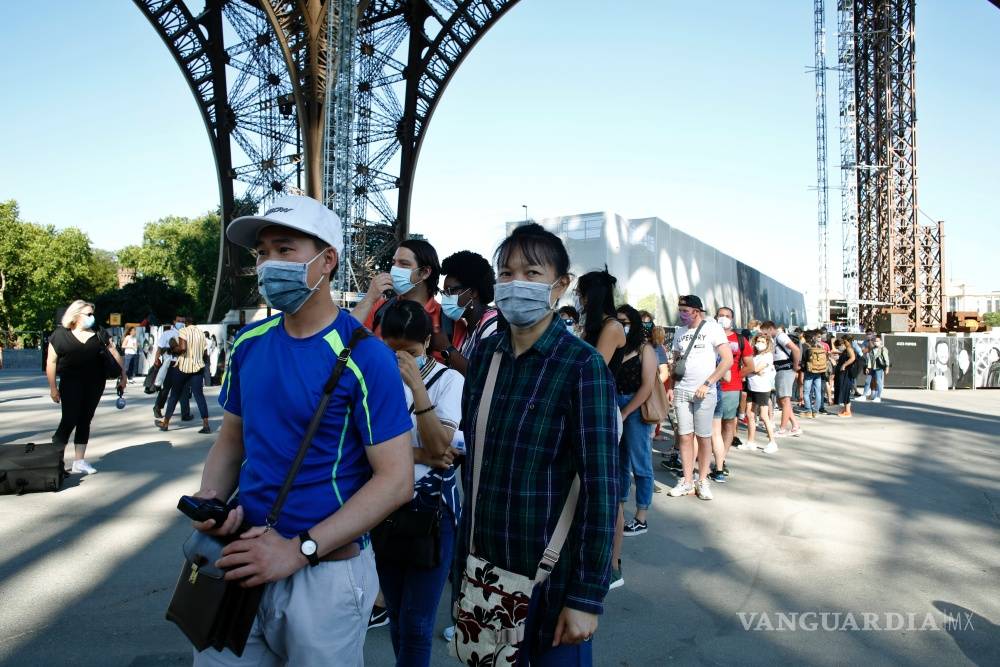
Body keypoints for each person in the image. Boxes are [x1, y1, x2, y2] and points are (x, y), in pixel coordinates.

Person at [190, 194, 415, 666]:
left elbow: (395, 481)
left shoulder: (367, 357)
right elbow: (231, 442)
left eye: (285, 249)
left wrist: (299, 550)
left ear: (327, 259)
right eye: (262, 252)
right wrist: (211, 499)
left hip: (325, 577)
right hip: (242, 559)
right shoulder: (249, 345)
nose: (270, 263)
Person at [456, 223, 619, 663]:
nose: (515, 284)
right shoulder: (485, 358)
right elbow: (474, 473)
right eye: (505, 274)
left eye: (531, 273)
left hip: (552, 585)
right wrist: (461, 572)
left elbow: (602, 487)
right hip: (484, 577)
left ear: (560, 285)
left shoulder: (581, 366)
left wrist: (586, 597)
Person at [374, 300, 464, 666]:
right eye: (390, 349)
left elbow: (442, 445)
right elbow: (361, 447)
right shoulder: (374, 380)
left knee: (417, 622)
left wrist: (417, 386)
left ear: (427, 341)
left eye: (408, 352)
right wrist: (420, 455)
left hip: (432, 516)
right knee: (396, 614)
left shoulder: (449, 380)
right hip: (383, 508)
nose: (398, 359)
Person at [574, 269, 626, 588]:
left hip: (603, 412)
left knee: (606, 493)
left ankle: (613, 562)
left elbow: (591, 367)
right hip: (586, 410)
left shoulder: (612, 327)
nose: (578, 300)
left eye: (581, 294)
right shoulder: (592, 327)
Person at [46, 300, 127, 474]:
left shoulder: (99, 333)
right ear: (75, 315)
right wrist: (53, 387)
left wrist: (123, 376)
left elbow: (115, 353)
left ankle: (79, 461)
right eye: (88, 314)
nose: (92, 317)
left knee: (85, 419)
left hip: (95, 383)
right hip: (70, 383)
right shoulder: (60, 335)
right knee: (69, 420)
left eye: (92, 314)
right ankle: (54, 461)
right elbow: (51, 362)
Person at [666, 295, 733, 501]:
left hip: (705, 393)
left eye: (686, 311)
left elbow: (728, 360)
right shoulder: (679, 332)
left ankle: (702, 480)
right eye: (680, 310)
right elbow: (676, 362)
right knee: (685, 436)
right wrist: (672, 387)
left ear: (697, 311)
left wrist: (708, 382)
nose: (682, 314)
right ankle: (687, 480)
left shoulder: (712, 328)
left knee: (704, 438)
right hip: (682, 391)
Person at [353, 239, 444, 356]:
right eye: (394, 263)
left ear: (425, 272)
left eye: (404, 264)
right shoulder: (379, 308)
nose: (394, 269)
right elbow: (345, 334)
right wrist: (369, 297)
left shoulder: (445, 319)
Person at [614, 305, 658, 536]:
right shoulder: (614, 347)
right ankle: (619, 509)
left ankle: (641, 515)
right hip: (615, 406)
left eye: (626, 321)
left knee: (640, 462)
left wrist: (625, 412)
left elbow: (647, 386)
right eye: (618, 320)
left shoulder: (645, 349)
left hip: (636, 409)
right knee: (620, 462)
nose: (622, 325)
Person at [708, 307, 754, 483]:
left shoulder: (740, 340)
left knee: (728, 425)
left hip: (730, 388)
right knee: (707, 426)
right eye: (721, 315)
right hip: (707, 387)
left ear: (732, 320)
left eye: (727, 316)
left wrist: (736, 376)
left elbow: (750, 366)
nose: (724, 318)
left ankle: (721, 459)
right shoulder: (708, 334)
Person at [438, 250, 500, 376]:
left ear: (472, 293)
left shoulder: (493, 324)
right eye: (444, 292)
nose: (445, 297)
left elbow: (483, 377)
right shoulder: (468, 330)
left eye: (450, 291)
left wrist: (446, 347)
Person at [156, 323, 212, 434]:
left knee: (174, 395)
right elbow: (205, 354)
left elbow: (182, 348)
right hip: (198, 368)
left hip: (183, 368)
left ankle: (166, 423)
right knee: (199, 395)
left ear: (186, 325)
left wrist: (173, 347)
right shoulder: (201, 334)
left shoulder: (183, 331)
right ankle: (206, 425)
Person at [761, 321, 802, 437]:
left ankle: (783, 429)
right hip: (781, 370)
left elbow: (796, 350)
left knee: (784, 400)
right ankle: (795, 425)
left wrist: (795, 366)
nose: (764, 336)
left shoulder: (780, 336)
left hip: (785, 370)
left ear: (770, 329)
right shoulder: (776, 338)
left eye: (764, 333)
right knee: (781, 400)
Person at [153, 315, 192, 422]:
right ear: (174, 321)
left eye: (183, 321)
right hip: (170, 363)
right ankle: (157, 407)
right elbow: (159, 348)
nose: (181, 323)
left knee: (184, 388)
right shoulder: (167, 334)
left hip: (183, 363)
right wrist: (156, 359)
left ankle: (185, 413)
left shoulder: (187, 334)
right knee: (166, 388)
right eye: (179, 321)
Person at [745, 333, 779, 453]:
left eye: (763, 342)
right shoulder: (754, 355)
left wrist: (752, 370)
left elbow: (754, 368)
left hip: (762, 388)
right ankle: (751, 441)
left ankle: (772, 442)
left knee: (764, 416)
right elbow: (750, 367)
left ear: (768, 343)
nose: (760, 344)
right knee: (749, 413)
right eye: (758, 341)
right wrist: (753, 370)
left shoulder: (768, 355)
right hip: (751, 386)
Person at [649, 326, 671, 442]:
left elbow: (664, 372)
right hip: (656, 385)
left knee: (654, 413)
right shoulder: (659, 348)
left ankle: (655, 433)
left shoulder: (659, 348)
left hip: (654, 386)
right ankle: (654, 433)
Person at [802, 330, 829, 419]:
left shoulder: (805, 347)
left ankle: (808, 411)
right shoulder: (821, 346)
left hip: (809, 371)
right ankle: (816, 411)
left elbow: (804, 359)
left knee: (806, 392)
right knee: (818, 392)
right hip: (819, 371)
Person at [833, 336, 858, 417]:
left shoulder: (849, 349)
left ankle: (848, 411)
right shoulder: (846, 350)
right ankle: (845, 409)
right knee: (843, 391)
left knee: (845, 391)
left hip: (846, 374)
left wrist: (844, 365)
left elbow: (853, 358)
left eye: (839, 346)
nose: (839, 348)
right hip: (843, 373)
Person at [864, 335, 891, 402]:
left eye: (877, 341)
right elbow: (869, 359)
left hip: (879, 368)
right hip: (871, 368)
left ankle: (878, 397)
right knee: (867, 381)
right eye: (875, 341)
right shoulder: (872, 349)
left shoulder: (883, 349)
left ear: (880, 341)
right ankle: (864, 395)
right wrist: (867, 367)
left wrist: (887, 368)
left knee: (878, 382)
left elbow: (886, 359)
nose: (876, 342)